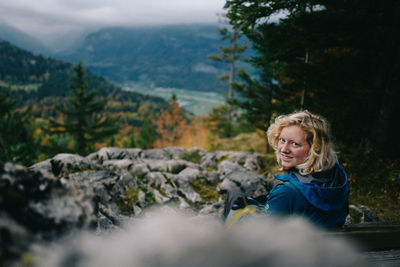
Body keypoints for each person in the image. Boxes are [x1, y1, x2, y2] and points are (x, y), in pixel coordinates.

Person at [224, 110, 349, 228]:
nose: (284, 149)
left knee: (234, 195)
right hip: (319, 241)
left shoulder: (287, 193)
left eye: (295, 144)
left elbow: (259, 235)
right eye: (282, 140)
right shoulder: (338, 175)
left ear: (315, 149)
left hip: (288, 246)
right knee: (254, 199)